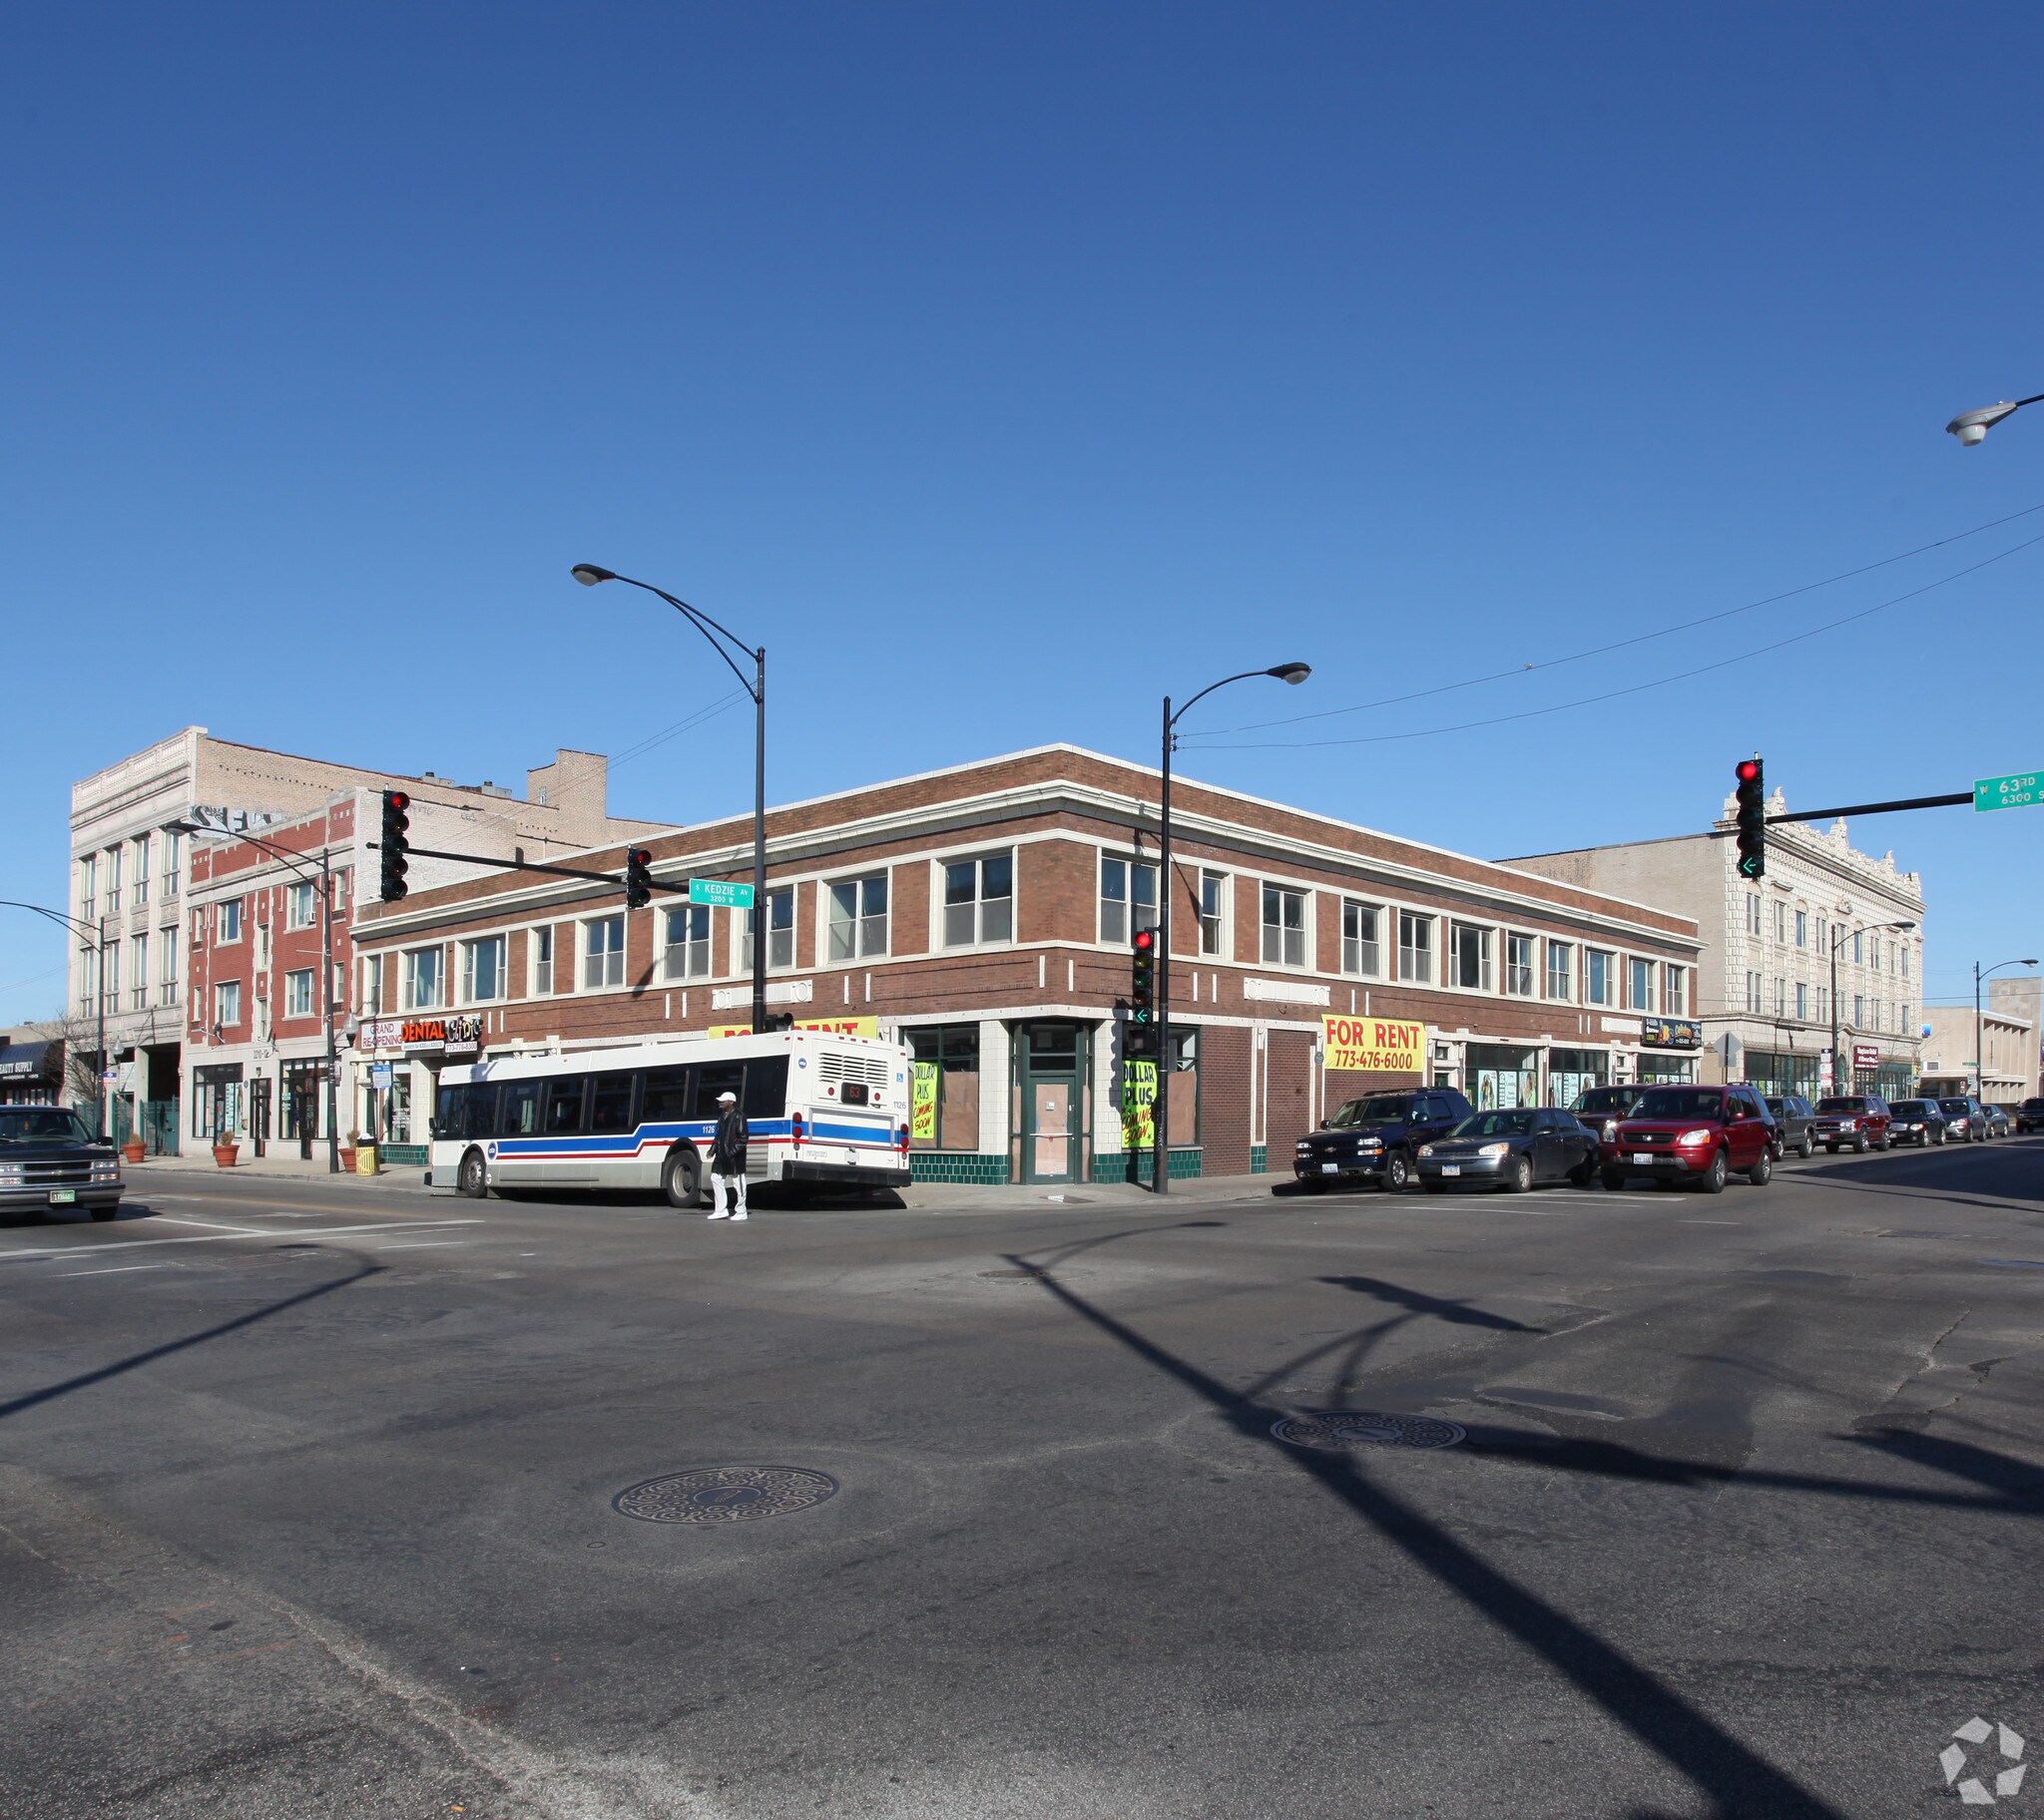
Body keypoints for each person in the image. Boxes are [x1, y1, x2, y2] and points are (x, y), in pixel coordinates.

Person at [708, 1089, 749, 1221]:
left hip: (734, 1157)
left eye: (723, 1101)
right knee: (715, 1178)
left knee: (739, 1183)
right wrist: (712, 1150)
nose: (720, 1103)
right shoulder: (721, 1117)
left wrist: (732, 1152)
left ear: (731, 1102)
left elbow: (743, 1138)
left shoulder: (739, 1116)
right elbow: (718, 1136)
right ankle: (720, 1210)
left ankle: (741, 1211)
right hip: (721, 1155)